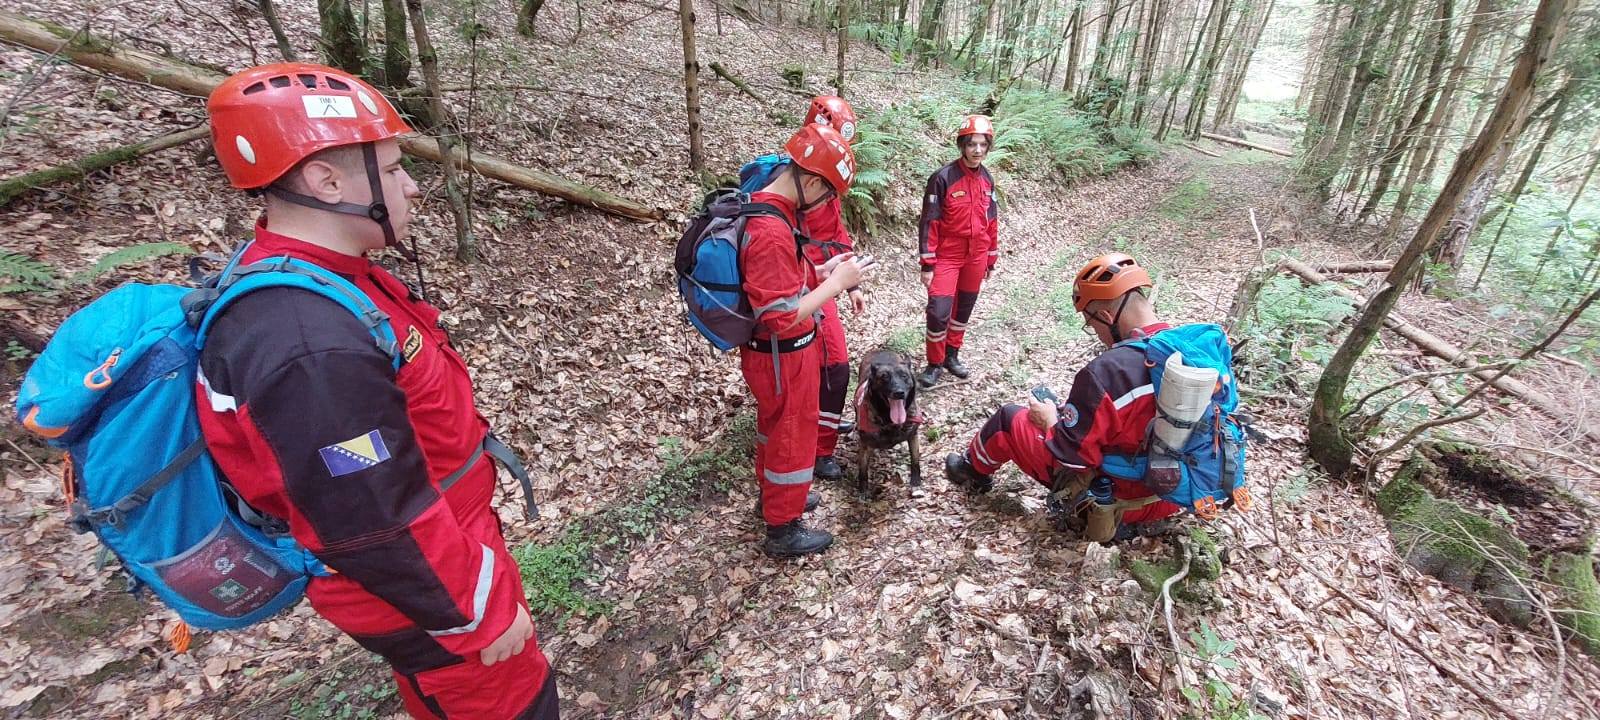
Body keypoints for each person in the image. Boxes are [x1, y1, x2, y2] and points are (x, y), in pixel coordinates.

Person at [200, 63, 557, 718]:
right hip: (428, 588)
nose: (412, 187)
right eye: (392, 170)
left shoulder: (325, 281)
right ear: (326, 180)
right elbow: (370, 511)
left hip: (443, 555)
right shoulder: (308, 345)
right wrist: (481, 614)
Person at [943, 253, 1183, 540]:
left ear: (1107, 317)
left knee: (1008, 419)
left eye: (1092, 325)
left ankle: (972, 471)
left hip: (1116, 501)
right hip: (1173, 497)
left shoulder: (1107, 372)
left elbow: (1073, 458)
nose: (1096, 334)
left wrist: (1050, 422)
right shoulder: (1193, 352)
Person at [742, 123, 875, 557]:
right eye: (829, 193)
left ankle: (776, 497)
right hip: (783, 354)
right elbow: (780, 317)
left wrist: (819, 274)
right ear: (813, 180)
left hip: (775, 354)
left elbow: (780, 287)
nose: (829, 203)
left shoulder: (767, 210)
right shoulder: (770, 230)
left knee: (775, 430)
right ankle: (783, 528)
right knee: (792, 435)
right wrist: (836, 283)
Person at [797, 96, 864, 483]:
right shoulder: (799, 181)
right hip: (803, 290)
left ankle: (822, 436)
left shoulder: (826, 181)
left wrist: (850, 281)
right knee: (832, 368)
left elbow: (835, 235)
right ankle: (818, 450)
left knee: (834, 368)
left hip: (823, 284)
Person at [918, 115, 999, 388]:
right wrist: (928, 263)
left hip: (977, 254)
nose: (977, 150)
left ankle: (952, 355)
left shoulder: (987, 179)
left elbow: (992, 221)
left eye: (982, 145)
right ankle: (934, 363)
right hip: (948, 254)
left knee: (963, 308)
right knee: (939, 310)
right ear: (962, 146)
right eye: (972, 144)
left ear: (988, 147)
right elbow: (930, 221)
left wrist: (991, 257)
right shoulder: (943, 178)